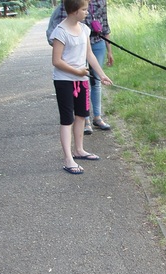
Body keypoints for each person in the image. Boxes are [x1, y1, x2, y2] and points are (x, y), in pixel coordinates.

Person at [50, 0, 112, 174]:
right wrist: (76, 72)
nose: (87, 12)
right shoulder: (60, 32)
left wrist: (101, 75)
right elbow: (56, 61)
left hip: (82, 80)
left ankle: (79, 150)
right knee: (67, 119)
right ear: (74, 11)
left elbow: (89, 55)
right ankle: (68, 159)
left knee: (81, 115)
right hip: (65, 81)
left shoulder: (85, 29)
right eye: (84, 10)